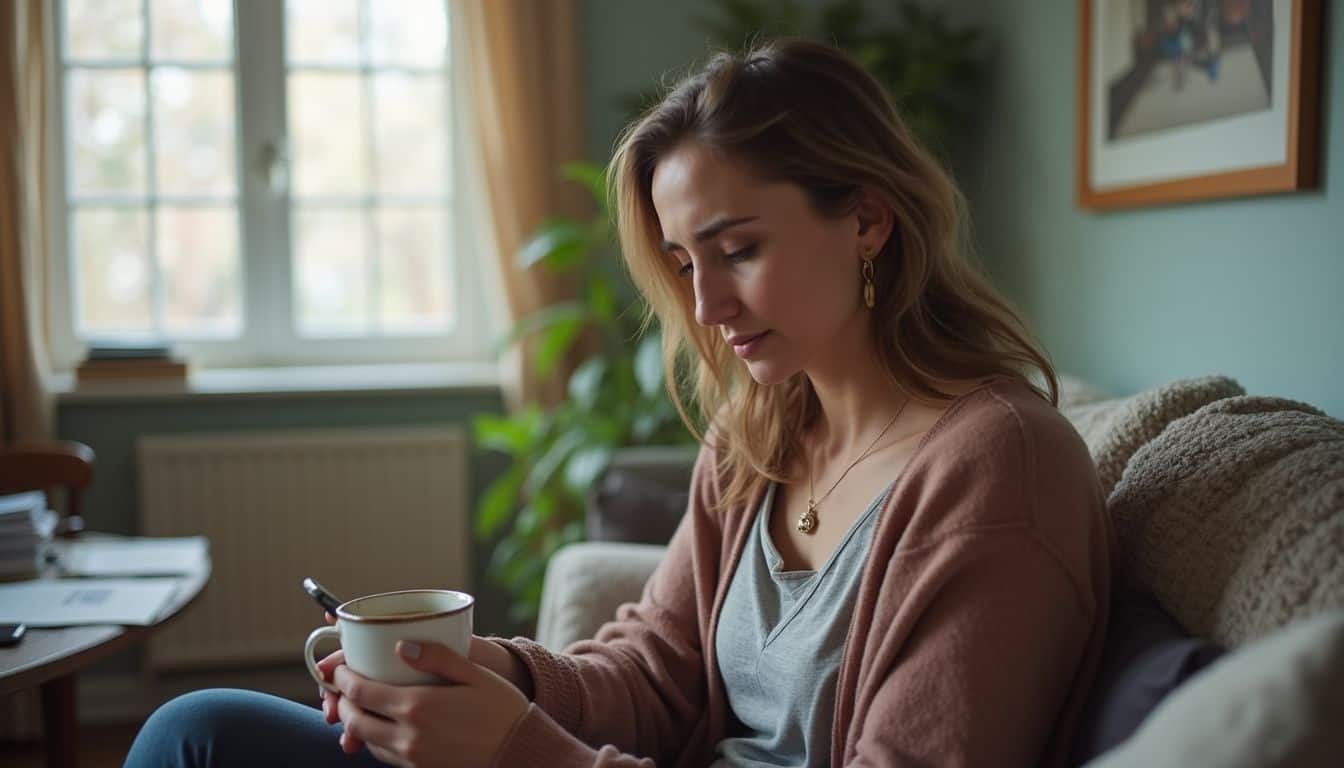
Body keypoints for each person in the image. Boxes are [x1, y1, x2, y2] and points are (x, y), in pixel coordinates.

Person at [125, 39, 1110, 768]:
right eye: (684, 263)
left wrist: (524, 752)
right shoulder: (761, 434)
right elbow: (652, 673)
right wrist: (480, 677)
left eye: (739, 250)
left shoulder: (1000, 467)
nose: (704, 306)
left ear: (866, 219)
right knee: (197, 730)